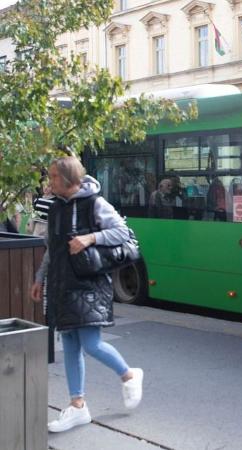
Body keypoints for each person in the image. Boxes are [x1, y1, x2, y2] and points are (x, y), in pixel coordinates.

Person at [29, 156, 143, 433]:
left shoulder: (95, 203)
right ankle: (78, 406)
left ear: (69, 179)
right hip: (62, 285)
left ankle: (129, 374)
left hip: (88, 285)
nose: (50, 181)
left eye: (54, 176)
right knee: (69, 344)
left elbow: (123, 233)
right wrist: (39, 278)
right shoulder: (55, 208)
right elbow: (52, 248)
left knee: (90, 343)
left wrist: (91, 238)